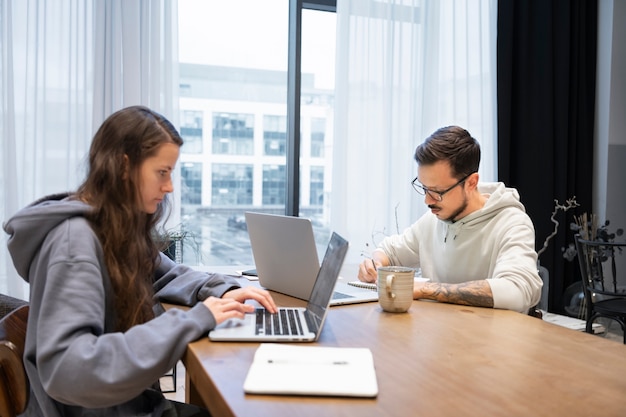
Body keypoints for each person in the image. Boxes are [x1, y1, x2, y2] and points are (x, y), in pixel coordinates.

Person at [3, 105, 277, 416]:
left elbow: (165, 274)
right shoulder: (74, 245)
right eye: (162, 172)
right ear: (124, 166)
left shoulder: (111, 228)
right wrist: (194, 319)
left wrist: (222, 290)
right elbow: (70, 369)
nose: (169, 186)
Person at [357, 126, 542, 313]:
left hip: (488, 338)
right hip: (442, 334)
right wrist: (375, 264)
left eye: (437, 192)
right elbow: (390, 251)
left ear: (471, 183)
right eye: (424, 188)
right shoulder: (434, 220)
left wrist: (425, 289)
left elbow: (518, 291)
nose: (427, 200)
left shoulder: (512, 223)